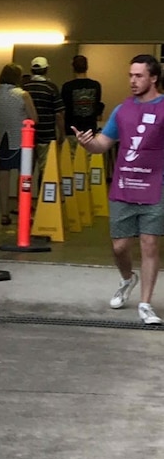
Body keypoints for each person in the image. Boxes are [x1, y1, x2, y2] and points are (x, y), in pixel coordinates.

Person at [72, 54, 164, 325]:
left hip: (155, 186)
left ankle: (146, 304)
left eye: (139, 76)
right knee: (120, 246)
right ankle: (127, 279)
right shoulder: (122, 110)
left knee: (149, 244)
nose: (133, 81)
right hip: (125, 185)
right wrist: (86, 143)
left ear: (154, 78)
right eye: (130, 76)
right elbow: (102, 144)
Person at [0, 63, 38, 225]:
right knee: (23, 175)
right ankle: (23, 209)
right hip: (19, 139)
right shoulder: (23, 95)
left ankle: (4, 213)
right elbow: (34, 119)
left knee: (3, 176)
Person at [23, 57, 65, 193]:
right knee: (45, 170)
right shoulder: (51, 87)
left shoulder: (24, 87)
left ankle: (24, 202)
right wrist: (61, 133)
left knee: (26, 170)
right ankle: (41, 201)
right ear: (46, 70)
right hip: (46, 135)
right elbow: (59, 114)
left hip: (27, 137)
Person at [61, 55, 104, 151]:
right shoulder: (96, 85)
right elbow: (97, 106)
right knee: (89, 161)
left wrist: (62, 132)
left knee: (72, 160)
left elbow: (63, 110)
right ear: (87, 67)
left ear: (73, 68)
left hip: (72, 130)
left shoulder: (67, 87)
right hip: (90, 130)